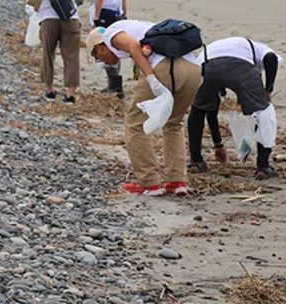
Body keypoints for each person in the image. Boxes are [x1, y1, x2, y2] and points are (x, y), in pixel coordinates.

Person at [86, 20, 202, 196]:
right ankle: (178, 181)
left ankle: (149, 183)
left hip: (166, 68)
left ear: (100, 47)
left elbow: (133, 47)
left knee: (135, 123)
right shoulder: (144, 27)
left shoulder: (111, 33)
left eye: (98, 58)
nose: (103, 62)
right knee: (174, 123)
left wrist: (152, 80)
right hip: (193, 70)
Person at [188, 37, 283, 179]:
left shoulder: (224, 45)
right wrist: (268, 90)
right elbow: (271, 58)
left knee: (198, 110)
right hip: (240, 67)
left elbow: (211, 112)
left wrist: (218, 144)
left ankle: (196, 161)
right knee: (263, 113)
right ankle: (263, 167)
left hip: (206, 65)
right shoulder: (260, 49)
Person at [33, 0, 96, 104]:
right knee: (71, 56)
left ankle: (50, 91)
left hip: (48, 16)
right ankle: (70, 95)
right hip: (70, 16)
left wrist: (37, 6)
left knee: (48, 54)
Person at [80, 0, 127, 97]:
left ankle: (114, 87)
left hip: (105, 12)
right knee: (114, 48)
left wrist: (96, 18)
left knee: (105, 49)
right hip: (116, 12)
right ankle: (115, 85)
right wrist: (124, 14)